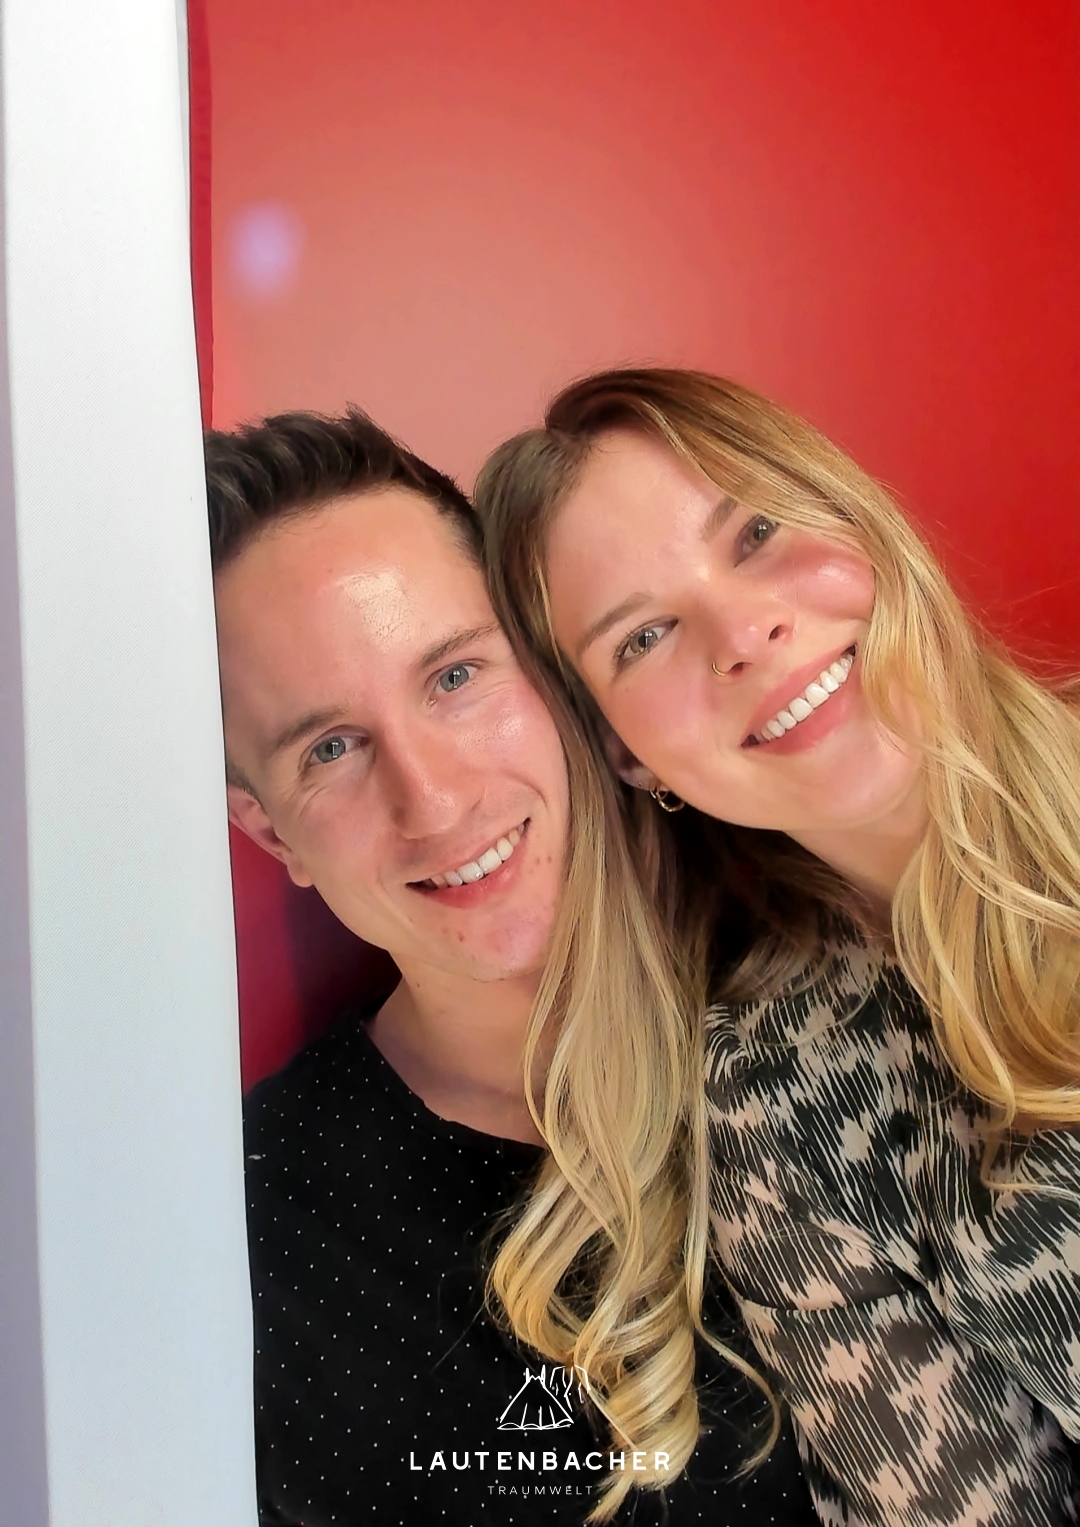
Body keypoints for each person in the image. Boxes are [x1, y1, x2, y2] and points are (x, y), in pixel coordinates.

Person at [474, 367, 1080, 1527]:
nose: (744, 632)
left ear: (856, 516)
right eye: (644, 635)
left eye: (756, 532)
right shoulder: (774, 1102)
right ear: (629, 757)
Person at [204, 407, 819, 1526]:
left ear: (551, 670)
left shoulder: (837, 997)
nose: (433, 798)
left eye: (454, 677)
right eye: (329, 749)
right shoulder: (243, 1225)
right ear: (269, 830)